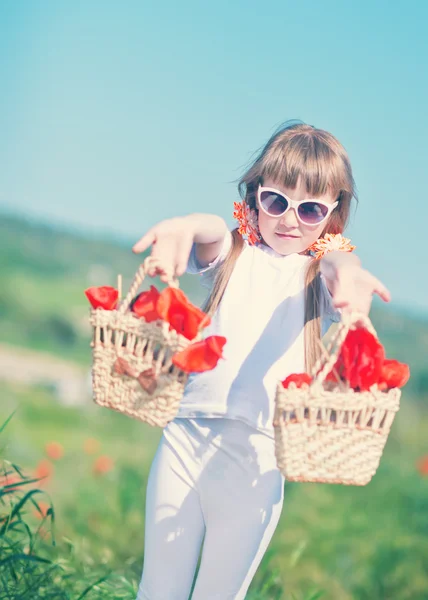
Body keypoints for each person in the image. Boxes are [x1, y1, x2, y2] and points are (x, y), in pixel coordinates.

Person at [132, 121, 390, 599]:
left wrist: (353, 274)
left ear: (332, 216)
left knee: (219, 594)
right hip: (186, 439)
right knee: (158, 588)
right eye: (276, 201)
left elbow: (339, 266)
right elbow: (209, 230)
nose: (290, 219)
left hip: (257, 456)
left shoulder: (317, 272)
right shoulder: (235, 252)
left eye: (310, 209)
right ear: (254, 194)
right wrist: (186, 224)